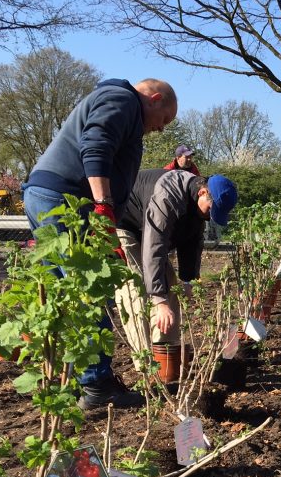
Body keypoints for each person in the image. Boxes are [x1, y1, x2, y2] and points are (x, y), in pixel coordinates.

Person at [23, 77, 178, 408]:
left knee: (64, 292)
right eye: (163, 121)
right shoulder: (122, 101)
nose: (160, 130)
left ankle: (69, 379)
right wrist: (104, 208)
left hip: (47, 195)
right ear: (153, 99)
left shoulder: (118, 104)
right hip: (65, 200)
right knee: (90, 290)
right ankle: (96, 385)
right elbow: (96, 145)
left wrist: (110, 224)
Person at [116, 168, 238, 350]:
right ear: (203, 192)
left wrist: (188, 280)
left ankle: (164, 351)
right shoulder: (167, 197)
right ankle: (145, 362)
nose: (210, 217)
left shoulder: (198, 206)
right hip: (125, 223)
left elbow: (192, 242)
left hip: (149, 231)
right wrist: (159, 300)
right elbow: (154, 247)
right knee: (136, 288)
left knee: (172, 286)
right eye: (212, 210)